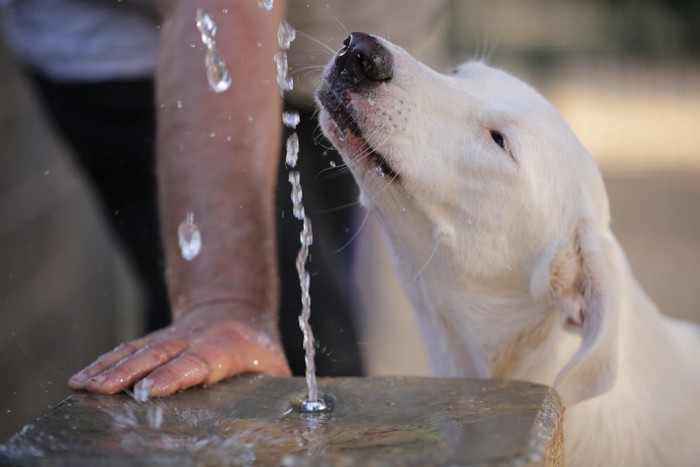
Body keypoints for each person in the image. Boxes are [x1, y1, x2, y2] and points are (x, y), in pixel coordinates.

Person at [1, 0, 445, 399]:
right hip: (169, 49)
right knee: (286, 361)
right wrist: (226, 302)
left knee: (307, 327)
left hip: (313, 67)